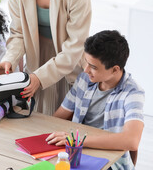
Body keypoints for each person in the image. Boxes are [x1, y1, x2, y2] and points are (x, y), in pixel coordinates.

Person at [46, 30, 144, 169]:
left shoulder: (132, 93)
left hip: (109, 162)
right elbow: (56, 119)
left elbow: (132, 140)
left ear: (115, 70)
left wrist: (79, 141)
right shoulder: (84, 80)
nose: (86, 70)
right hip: (76, 154)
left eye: (93, 67)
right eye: (87, 63)